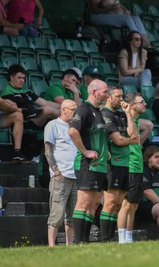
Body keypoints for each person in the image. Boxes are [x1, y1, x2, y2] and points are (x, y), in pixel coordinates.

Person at [68, 79, 109, 244]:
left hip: (100, 165)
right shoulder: (84, 109)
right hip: (87, 165)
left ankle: (85, 241)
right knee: (84, 202)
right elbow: (72, 131)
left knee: (94, 203)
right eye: (105, 91)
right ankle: (78, 241)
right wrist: (85, 151)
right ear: (94, 92)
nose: (107, 95)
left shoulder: (98, 111)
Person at [99, 85, 139, 242]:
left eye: (122, 96)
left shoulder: (122, 115)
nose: (121, 99)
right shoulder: (105, 114)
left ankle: (111, 238)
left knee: (118, 204)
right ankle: (105, 238)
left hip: (125, 163)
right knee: (109, 203)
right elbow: (118, 140)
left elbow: (134, 134)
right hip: (112, 162)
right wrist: (130, 140)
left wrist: (129, 114)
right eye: (118, 96)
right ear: (109, 97)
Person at [45, 99, 78, 246]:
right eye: (73, 110)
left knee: (72, 216)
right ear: (63, 109)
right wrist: (56, 172)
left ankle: (69, 245)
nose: (75, 112)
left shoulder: (75, 126)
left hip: (76, 176)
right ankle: (51, 246)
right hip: (61, 176)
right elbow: (48, 150)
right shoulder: (53, 125)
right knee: (56, 214)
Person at [117, 92, 146, 243]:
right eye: (142, 102)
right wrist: (127, 113)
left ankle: (129, 237)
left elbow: (148, 126)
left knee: (134, 205)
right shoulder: (124, 118)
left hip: (137, 166)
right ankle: (122, 238)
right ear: (132, 105)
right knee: (126, 203)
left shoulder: (137, 120)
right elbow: (130, 135)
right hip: (129, 165)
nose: (145, 104)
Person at [135, 145, 159, 239]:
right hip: (143, 205)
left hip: (157, 204)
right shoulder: (143, 170)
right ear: (148, 158)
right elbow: (147, 192)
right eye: (156, 157)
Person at [0, 83, 26, 161]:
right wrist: (3, 101)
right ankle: (17, 109)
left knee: (18, 116)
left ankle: (17, 152)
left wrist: (4, 101)